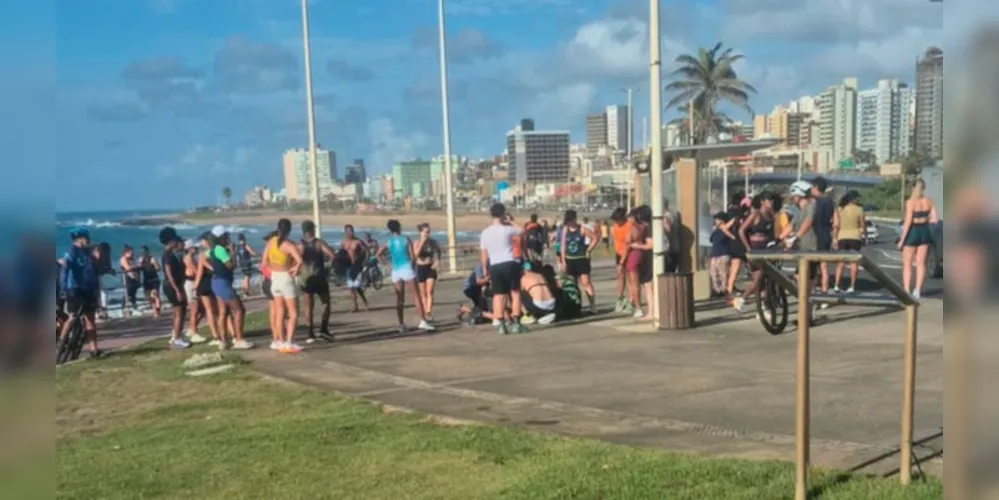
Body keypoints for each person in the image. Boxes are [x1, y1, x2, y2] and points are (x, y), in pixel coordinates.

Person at [378, 219, 434, 333]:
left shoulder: (389, 241)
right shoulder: (405, 239)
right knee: (416, 296)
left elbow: (378, 254)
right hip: (406, 268)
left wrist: (387, 264)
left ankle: (401, 324)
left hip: (396, 270)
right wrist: (413, 267)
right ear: (399, 227)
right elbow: (413, 256)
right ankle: (423, 321)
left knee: (400, 298)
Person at [479, 203, 526, 334]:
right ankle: (517, 323)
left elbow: (484, 253)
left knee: (498, 295)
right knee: (515, 292)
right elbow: (522, 231)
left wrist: (484, 268)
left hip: (495, 265)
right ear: (503, 214)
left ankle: (501, 324)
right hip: (510, 262)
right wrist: (511, 221)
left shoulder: (485, 232)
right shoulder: (508, 229)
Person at [58, 227, 105, 358]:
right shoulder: (72, 252)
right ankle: (59, 346)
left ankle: (94, 349)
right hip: (75, 289)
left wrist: (98, 259)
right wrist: (63, 289)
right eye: (87, 238)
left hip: (88, 289)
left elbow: (94, 270)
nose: (89, 240)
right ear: (81, 238)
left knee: (90, 319)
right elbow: (65, 271)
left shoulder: (88, 252)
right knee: (72, 316)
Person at [209, 226, 254, 350]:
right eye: (226, 236)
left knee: (223, 312)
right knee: (239, 310)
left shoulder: (212, 250)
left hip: (216, 282)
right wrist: (233, 252)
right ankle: (239, 339)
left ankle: (223, 341)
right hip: (223, 283)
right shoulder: (220, 250)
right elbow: (231, 266)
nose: (228, 238)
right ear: (222, 237)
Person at [263, 219, 304, 352]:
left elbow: (264, 263)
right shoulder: (288, 245)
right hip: (285, 279)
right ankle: (289, 341)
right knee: (293, 313)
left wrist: (275, 267)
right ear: (289, 230)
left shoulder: (271, 242)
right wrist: (295, 268)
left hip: (274, 279)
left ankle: (280, 340)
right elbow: (300, 260)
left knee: (280, 311)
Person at [733, 192, 777, 312]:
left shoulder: (771, 216)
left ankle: (763, 308)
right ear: (762, 202)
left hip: (766, 248)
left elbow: (772, 234)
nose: (771, 202)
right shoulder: (755, 214)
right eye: (768, 200)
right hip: (755, 248)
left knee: (764, 280)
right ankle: (742, 299)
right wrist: (747, 247)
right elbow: (741, 230)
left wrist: (774, 244)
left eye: (772, 200)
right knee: (758, 278)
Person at [898, 178, 938, 300]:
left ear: (913, 188)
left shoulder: (910, 202)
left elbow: (908, 222)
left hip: (913, 231)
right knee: (921, 263)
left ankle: (906, 290)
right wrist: (925, 221)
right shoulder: (929, 201)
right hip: (924, 231)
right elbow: (934, 219)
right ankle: (917, 290)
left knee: (907, 264)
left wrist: (901, 240)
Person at [298, 220, 335, 343]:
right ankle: (323, 329)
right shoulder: (318, 243)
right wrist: (328, 268)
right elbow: (332, 256)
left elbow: (295, 261)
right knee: (326, 303)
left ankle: (310, 333)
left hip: (306, 278)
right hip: (319, 277)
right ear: (312, 230)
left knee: (308, 306)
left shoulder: (300, 245)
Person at [159, 227, 194, 348]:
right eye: (174, 239)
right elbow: (169, 274)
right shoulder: (167, 255)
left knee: (178, 311)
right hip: (172, 286)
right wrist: (177, 290)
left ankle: (176, 335)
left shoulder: (170, 253)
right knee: (179, 312)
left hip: (175, 285)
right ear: (170, 241)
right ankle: (177, 338)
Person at [559, 209, 599, 313]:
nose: (570, 223)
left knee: (586, 283)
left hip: (581, 259)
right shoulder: (565, 230)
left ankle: (592, 305)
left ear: (575, 219)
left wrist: (589, 250)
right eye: (568, 221)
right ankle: (577, 306)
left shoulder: (582, 229)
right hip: (570, 259)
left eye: (571, 221)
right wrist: (563, 261)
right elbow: (563, 246)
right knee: (573, 284)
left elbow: (594, 238)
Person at [623, 206, 654, 320]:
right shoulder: (648, 227)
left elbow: (651, 244)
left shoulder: (647, 228)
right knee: (646, 285)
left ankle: (650, 311)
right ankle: (650, 311)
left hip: (647, 258)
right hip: (647, 258)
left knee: (647, 285)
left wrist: (637, 246)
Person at [833, 190, 866, 293]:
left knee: (841, 262)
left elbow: (836, 225)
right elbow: (862, 225)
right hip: (855, 237)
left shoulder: (840, 209)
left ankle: (836, 285)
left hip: (842, 236)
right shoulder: (859, 209)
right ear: (853, 199)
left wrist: (834, 238)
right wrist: (864, 235)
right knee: (854, 263)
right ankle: (852, 286)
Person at [194, 233, 222, 346]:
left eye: (202, 241)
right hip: (216, 280)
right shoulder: (217, 251)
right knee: (218, 310)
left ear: (206, 241)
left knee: (209, 310)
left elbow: (200, 272)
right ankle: (224, 333)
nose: (201, 243)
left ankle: (216, 336)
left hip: (205, 282)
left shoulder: (203, 255)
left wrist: (195, 286)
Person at [810, 176, 836, 294]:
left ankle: (813, 292)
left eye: (812, 187)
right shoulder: (830, 202)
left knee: (813, 268)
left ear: (816, 187)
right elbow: (835, 221)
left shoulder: (814, 202)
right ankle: (825, 294)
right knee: (824, 266)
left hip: (815, 235)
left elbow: (811, 219)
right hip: (826, 234)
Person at [413, 223, 441, 320]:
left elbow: (438, 253)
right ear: (420, 233)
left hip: (430, 267)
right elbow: (415, 255)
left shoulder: (433, 242)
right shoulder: (416, 243)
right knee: (423, 293)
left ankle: (428, 312)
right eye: (425, 232)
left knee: (430, 291)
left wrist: (437, 262)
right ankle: (424, 311)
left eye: (429, 232)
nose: (427, 234)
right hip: (420, 268)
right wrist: (422, 243)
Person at [181, 240, 208, 342]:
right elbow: (197, 271)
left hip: (193, 282)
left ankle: (192, 328)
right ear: (189, 249)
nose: (195, 249)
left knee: (201, 309)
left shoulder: (192, 258)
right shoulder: (188, 259)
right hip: (191, 283)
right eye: (193, 248)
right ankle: (194, 332)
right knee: (194, 309)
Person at [342, 224, 370, 312]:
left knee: (357, 286)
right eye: (348, 231)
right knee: (351, 287)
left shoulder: (358, 242)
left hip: (357, 266)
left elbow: (367, 251)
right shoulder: (343, 242)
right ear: (345, 232)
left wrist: (365, 261)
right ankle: (355, 305)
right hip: (348, 266)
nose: (350, 232)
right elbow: (341, 254)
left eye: (351, 231)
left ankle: (364, 301)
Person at [609, 207, 633, 313]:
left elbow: (628, 244)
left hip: (629, 253)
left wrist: (623, 260)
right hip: (618, 253)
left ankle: (631, 301)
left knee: (630, 278)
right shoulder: (614, 227)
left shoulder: (629, 225)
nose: (616, 223)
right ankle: (620, 298)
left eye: (618, 220)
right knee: (620, 277)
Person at [708, 212, 732, 298]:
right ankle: (716, 290)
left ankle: (723, 291)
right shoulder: (716, 230)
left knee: (723, 274)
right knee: (714, 273)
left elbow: (724, 238)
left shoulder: (725, 229)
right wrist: (714, 230)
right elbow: (711, 239)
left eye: (717, 219)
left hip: (723, 254)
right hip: (715, 254)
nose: (716, 221)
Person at [138, 246, 162, 317]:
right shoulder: (140, 260)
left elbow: (158, 268)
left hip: (154, 279)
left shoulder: (152, 259)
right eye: (142, 252)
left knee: (155, 295)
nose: (143, 253)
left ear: (148, 252)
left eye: (144, 252)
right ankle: (155, 310)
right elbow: (139, 268)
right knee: (150, 297)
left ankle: (157, 310)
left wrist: (154, 265)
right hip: (146, 280)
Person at [119, 245, 141, 315]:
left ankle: (134, 307)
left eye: (132, 252)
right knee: (127, 293)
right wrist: (135, 266)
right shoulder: (123, 259)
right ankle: (122, 308)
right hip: (127, 278)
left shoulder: (132, 259)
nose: (131, 253)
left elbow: (138, 265)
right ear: (126, 252)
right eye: (130, 252)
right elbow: (127, 268)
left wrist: (136, 266)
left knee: (133, 293)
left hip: (134, 277)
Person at [662, 199, 681, 273]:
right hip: (673, 249)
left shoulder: (667, 216)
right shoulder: (671, 214)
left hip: (669, 250)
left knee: (668, 273)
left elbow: (668, 230)